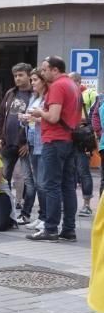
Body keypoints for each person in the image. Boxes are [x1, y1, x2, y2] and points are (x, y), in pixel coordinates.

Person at [28, 55, 81, 242]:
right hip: (69, 141)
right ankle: (68, 229)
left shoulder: (58, 86)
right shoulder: (72, 84)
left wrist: (39, 112)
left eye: (44, 69)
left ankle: (50, 229)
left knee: (52, 186)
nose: (43, 73)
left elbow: (53, 117)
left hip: (55, 140)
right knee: (68, 186)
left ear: (55, 70)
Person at [0, 64, 34, 209]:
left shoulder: (35, 94)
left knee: (28, 180)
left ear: (29, 75)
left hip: (24, 145)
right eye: (15, 75)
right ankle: (4, 209)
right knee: (3, 177)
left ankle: (26, 211)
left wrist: (28, 143)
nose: (17, 78)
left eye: (21, 75)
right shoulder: (10, 93)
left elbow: (34, 123)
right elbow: (1, 116)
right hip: (7, 143)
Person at [20, 69, 47, 229]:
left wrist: (35, 118)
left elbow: (50, 119)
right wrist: (23, 119)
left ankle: (46, 218)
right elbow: (29, 118)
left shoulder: (48, 98)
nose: (33, 83)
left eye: (35, 80)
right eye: (32, 80)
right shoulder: (33, 97)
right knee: (37, 182)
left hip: (42, 143)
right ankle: (42, 216)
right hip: (32, 141)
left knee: (43, 182)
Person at [69, 72, 95, 217]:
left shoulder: (85, 95)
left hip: (81, 140)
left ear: (78, 82)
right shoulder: (70, 95)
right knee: (70, 173)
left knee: (83, 172)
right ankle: (69, 202)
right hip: (69, 139)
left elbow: (88, 118)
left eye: (71, 81)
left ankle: (86, 205)